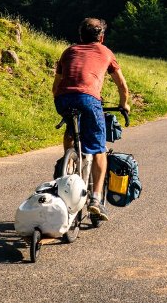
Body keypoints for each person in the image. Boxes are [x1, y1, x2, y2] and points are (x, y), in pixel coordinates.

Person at [52, 17, 130, 221]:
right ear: (101, 37)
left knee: (71, 129)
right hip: (88, 98)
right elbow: (122, 85)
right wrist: (124, 104)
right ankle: (96, 199)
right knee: (99, 149)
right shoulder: (106, 52)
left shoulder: (68, 51)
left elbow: (55, 86)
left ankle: (68, 163)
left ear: (80, 36)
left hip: (62, 99)